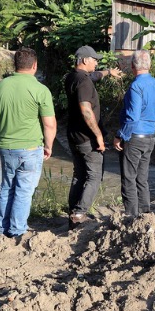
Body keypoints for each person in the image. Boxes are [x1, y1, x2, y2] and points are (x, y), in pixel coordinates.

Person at [0, 48, 56, 238]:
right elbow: (49, 123)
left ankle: (2, 230)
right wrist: (48, 146)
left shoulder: (0, 86)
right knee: (23, 190)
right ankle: (17, 232)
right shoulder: (41, 90)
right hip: (31, 148)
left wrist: (3, 129)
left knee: (7, 187)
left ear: (15, 65)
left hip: (7, 146)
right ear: (34, 65)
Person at [113, 50, 155, 218]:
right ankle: (145, 213)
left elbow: (133, 117)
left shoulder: (136, 86)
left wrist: (120, 135)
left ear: (132, 66)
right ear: (149, 65)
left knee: (129, 177)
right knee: (142, 178)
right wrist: (151, 127)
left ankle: (131, 215)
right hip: (150, 137)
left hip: (134, 137)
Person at [65, 46, 108, 229]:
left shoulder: (72, 77)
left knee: (79, 175)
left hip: (73, 134)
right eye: (94, 59)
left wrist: (108, 73)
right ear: (84, 60)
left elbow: (95, 75)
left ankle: (73, 212)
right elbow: (85, 109)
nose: (96, 62)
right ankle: (80, 213)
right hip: (86, 137)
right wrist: (98, 135)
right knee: (94, 176)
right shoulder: (84, 82)